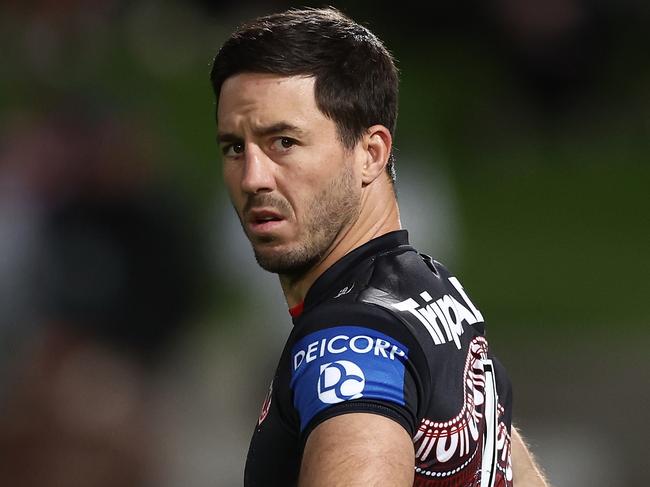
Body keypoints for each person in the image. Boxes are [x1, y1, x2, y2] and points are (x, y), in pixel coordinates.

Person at [210, 7, 549, 487]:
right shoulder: (434, 290)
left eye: (283, 142)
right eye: (234, 148)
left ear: (370, 154)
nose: (253, 178)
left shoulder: (346, 343)